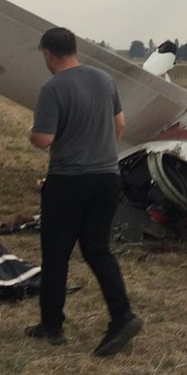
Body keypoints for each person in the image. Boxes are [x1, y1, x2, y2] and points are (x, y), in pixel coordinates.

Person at [28, 26, 142, 357]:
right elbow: (120, 124)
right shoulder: (104, 80)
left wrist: (32, 134)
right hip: (107, 178)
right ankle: (122, 316)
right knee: (96, 249)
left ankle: (52, 326)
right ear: (75, 50)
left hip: (68, 181)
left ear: (48, 54)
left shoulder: (52, 89)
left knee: (56, 254)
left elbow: (44, 139)